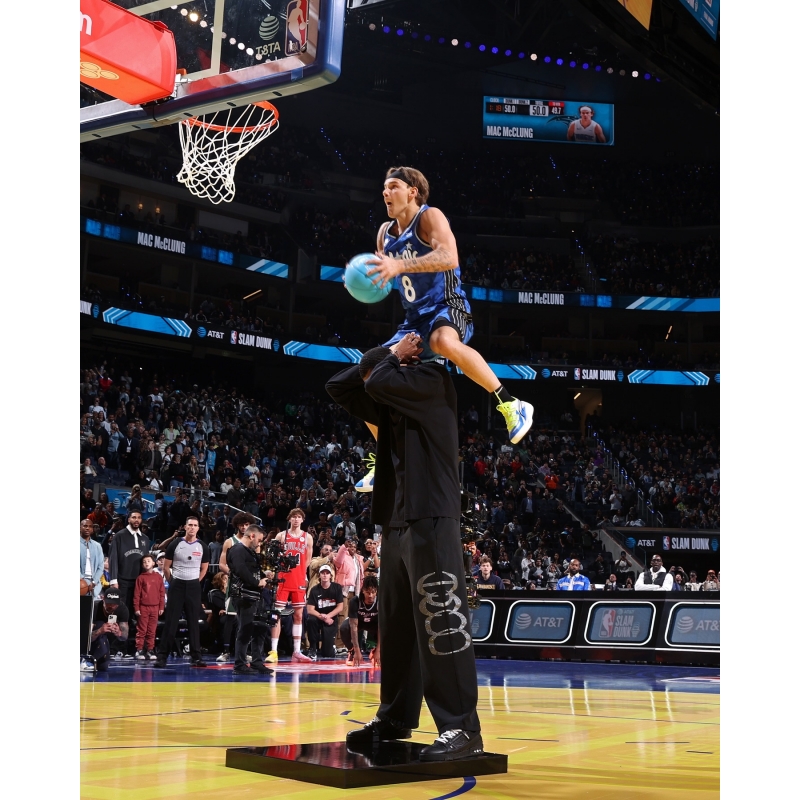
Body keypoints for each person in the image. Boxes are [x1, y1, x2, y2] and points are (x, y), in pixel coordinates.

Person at [326, 333, 483, 761]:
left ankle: (461, 727)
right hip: (396, 519)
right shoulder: (392, 394)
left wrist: (392, 356)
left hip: (431, 515)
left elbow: (376, 380)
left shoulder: (432, 381)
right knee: (397, 627)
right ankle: (396, 717)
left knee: (441, 620)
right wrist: (386, 354)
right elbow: (339, 386)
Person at [360, 167, 532, 483]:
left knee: (442, 342)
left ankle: (510, 403)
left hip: (448, 308)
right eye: (384, 187)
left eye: (393, 186)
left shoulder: (430, 216)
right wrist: (367, 280)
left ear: (412, 191)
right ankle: (387, 454)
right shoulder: (384, 232)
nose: (385, 192)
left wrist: (398, 264)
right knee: (369, 372)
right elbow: (387, 276)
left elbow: (449, 257)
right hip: (413, 322)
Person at [153, 516, 210, 668]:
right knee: (171, 621)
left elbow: (204, 568)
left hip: (193, 586)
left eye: (195, 525)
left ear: (198, 528)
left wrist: (195, 581)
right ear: (185, 527)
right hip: (177, 584)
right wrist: (173, 582)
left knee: (193, 622)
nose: (192, 527)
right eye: (190, 525)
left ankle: (196, 657)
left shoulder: (203, 546)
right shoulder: (176, 543)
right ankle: (162, 656)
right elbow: (166, 567)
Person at [267, 508, 314, 663]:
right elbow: (273, 556)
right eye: (293, 517)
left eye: (299, 517)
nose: (296, 519)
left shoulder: (307, 537)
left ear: (302, 520)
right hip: (283, 579)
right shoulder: (281, 536)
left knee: (299, 615)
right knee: (277, 614)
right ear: (289, 519)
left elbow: (308, 560)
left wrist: (301, 574)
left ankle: (297, 651)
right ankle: (273, 651)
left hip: (298, 579)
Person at [226, 524, 273, 675]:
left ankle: (257, 662)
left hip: (255, 595)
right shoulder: (237, 550)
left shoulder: (249, 552)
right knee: (245, 629)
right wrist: (257, 582)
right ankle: (239, 665)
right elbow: (241, 570)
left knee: (260, 628)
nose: (259, 544)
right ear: (252, 536)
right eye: (259, 540)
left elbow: (252, 570)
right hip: (243, 596)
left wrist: (265, 576)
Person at [85, 588, 129, 672]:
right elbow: (85, 638)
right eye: (108, 603)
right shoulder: (94, 607)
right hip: (94, 642)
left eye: (114, 604)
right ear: (103, 599)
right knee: (99, 624)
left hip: (110, 640)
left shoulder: (122, 609)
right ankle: (88, 658)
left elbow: (124, 637)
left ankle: (104, 655)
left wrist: (119, 633)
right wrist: (99, 631)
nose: (111, 606)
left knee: (103, 666)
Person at [305, 564, 344, 660]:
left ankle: (330, 646)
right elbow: (310, 609)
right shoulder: (314, 590)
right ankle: (312, 648)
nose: (325, 575)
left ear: (331, 575)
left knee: (327, 654)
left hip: (331, 618)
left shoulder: (337, 588)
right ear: (319, 575)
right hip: (318, 617)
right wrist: (322, 617)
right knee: (311, 620)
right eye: (323, 573)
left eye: (327, 573)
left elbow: (340, 607)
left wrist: (328, 616)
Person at [341, 575, 380, 667]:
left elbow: (381, 627)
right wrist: (357, 650)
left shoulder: (380, 601)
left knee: (388, 630)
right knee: (344, 628)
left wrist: (379, 650)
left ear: (376, 592)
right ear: (363, 590)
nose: (370, 596)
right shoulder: (355, 601)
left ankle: (376, 651)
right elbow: (353, 626)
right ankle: (351, 652)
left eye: (373, 592)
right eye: (368, 592)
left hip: (374, 624)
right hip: (359, 623)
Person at [133, 554, 165, 660]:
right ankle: (139, 649)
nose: (146, 563)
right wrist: (137, 608)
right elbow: (137, 594)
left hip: (155, 608)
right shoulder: (140, 578)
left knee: (152, 630)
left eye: (148, 561)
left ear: (153, 563)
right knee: (142, 630)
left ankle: (150, 649)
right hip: (143, 608)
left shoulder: (158, 577)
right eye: (144, 562)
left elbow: (162, 593)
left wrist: (161, 607)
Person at [80, 519, 104, 600]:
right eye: (85, 526)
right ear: (80, 528)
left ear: (92, 529)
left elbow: (101, 566)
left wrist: (94, 582)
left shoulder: (97, 546)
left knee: (92, 607)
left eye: (90, 526)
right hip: (80, 582)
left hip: (95, 584)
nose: (87, 528)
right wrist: (84, 582)